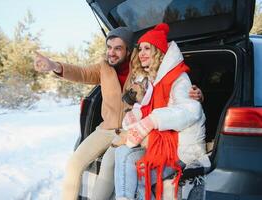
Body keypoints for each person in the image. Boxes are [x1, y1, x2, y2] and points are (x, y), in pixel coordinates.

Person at [34, 27, 203, 200]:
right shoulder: (103, 68)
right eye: (109, 47)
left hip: (131, 131)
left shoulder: (141, 68)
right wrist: (54, 66)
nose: (111, 53)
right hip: (106, 128)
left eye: (118, 48)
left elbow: (166, 84)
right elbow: (82, 72)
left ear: (129, 50)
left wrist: (197, 93)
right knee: (73, 164)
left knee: (108, 164)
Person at [114, 23, 206, 200]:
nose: (141, 53)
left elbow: (191, 110)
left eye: (147, 48)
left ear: (158, 51)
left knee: (141, 176)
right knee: (121, 153)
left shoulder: (179, 78)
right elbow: (143, 108)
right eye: (140, 49)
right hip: (157, 142)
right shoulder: (151, 79)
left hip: (181, 148)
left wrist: (150, 121)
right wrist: (134, 117)